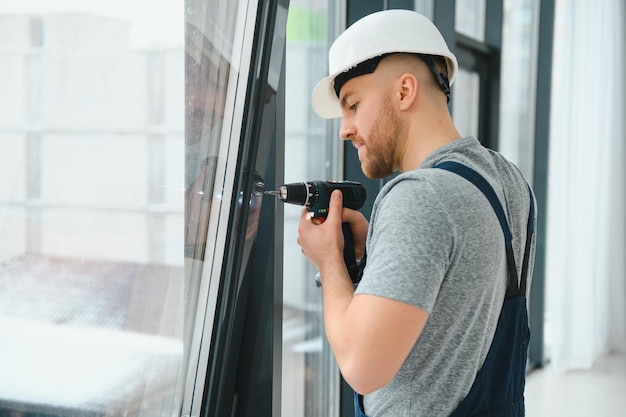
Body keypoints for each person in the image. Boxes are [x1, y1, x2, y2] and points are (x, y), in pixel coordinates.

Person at [296, 9, 537, 417]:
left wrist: (329, 262)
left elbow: (362, 366)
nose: (345, 129)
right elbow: (457, 310)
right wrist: (377, 259)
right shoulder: (507, 179)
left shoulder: (418, 196)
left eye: (353, 105)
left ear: (405, 91)